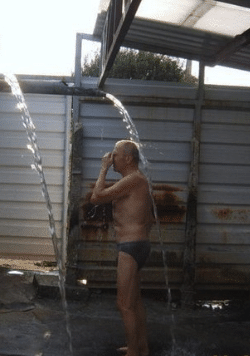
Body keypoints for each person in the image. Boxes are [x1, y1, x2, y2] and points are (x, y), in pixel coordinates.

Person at [90, 140, 154, 356]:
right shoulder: (137, 182)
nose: (111, 158)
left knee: (124, 304)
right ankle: (140, 347)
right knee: (134, 302)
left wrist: (102, 169)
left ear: (128, 158)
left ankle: (134, 353)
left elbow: (96, 197)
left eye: (115, 155)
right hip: (139, 244)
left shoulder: (133, 180)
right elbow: (148, 218)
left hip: (130, 246)